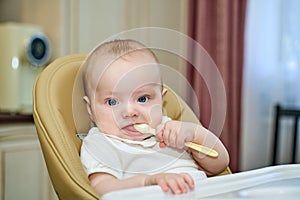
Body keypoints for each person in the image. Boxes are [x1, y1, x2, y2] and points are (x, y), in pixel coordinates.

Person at [80, 39, 229, 196]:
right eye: (112, 102)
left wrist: (194, 134)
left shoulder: (172, 130)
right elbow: (101, 187)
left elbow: (219, 164)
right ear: (90, 109)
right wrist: (148, 182)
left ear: (161, 100)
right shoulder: (101, 143)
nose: (130, 112)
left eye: (143, 99)